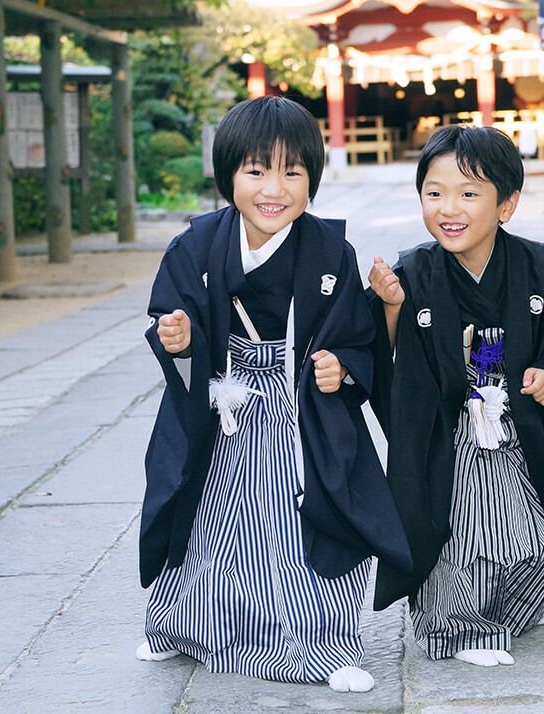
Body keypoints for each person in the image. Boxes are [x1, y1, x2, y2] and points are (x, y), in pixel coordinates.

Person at [137, 95, 412, 692]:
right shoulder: (195, 246)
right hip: (224, 407)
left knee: (300, 528)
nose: (274, 188)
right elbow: (170, 319)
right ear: (228, 174)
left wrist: (341, 366)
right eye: (256, 170)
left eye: (293, 172)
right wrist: (179, 340)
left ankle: (323, 646)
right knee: (212, 528)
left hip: (298, 412)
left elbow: (354, 337)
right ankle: (183, 629)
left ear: (312, 177)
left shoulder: (329, 252)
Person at [367, 125, 544, 667]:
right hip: (450, 436)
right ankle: (452, 629)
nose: (448, 208)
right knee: (460, 536)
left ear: (506, 204)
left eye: (468, 192)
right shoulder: (412, 271)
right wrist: (388, 308)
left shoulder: (541, 267)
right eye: (433, 193)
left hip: (517, 429)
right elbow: (375, 357)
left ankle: (511, 611)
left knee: (543, 534)